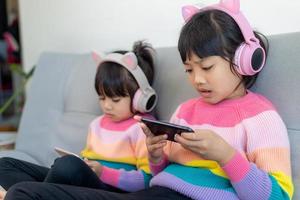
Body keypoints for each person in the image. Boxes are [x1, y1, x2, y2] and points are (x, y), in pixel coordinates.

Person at [138, 0, 294, 199]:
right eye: (189, 69)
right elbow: (161, 175)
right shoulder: (184, 111)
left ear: (243, 59)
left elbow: (278, 196)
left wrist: (226, 156)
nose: (197, 80)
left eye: (207, 67)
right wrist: (156, 156)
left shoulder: (262, 118)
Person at [0, 40, 159, 200]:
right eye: (102, 98)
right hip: (82, 184)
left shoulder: (143, 128)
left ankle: (24, 195)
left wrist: (103, 172)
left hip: (110, 190)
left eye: (115, 100)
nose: (107, 106)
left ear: (140, 98)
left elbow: (147, 181)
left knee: (68, 165)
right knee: (5, 165)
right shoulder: (97, 124)